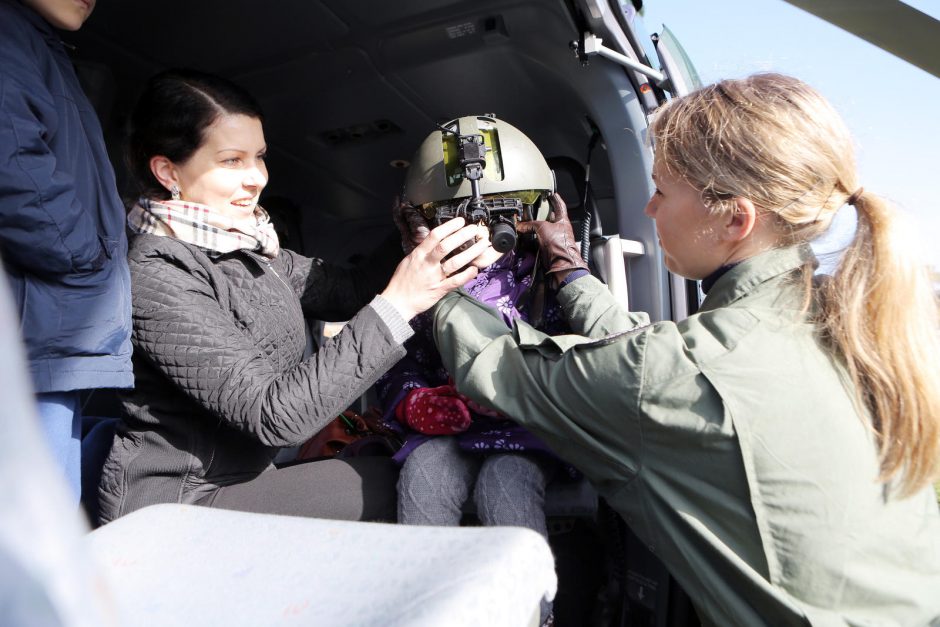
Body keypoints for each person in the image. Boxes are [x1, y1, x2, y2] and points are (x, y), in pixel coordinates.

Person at [433, 74, 940, 625]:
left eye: (662, 191)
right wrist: (567, 266)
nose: (650, 210)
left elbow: (500, 365)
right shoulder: (841, 323)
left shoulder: (683, 370)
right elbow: (646, 354)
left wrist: (428, 280)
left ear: (735, 219)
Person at [95, 69, 488, 525]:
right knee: (400, 483)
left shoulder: (244, 247)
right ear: (168, 171)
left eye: (258, 157)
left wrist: (412, 237)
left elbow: (348, 292)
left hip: (244, 479)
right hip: (177, 506)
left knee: (414, 465)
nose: (256, 178)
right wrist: (401, 302)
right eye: (231, 161)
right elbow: (274, 413)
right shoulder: (157, 270)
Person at [377, 115, 567, 626]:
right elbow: (397, 362)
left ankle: (530, 615)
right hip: (445, 431)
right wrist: (414, 401)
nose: (482, 233)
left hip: (525, 430)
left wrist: (519, 390)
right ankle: (423, 611)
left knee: (505, 483)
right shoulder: (419, 281)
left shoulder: (547, 280)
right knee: (424, 476)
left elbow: (575, 359)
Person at [0, 0, 133, 503]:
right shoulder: (9, 33)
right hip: (35, 333)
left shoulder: (41, 46)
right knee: (39, 537)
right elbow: (12, 160)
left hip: (46, 330)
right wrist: (86, 255)